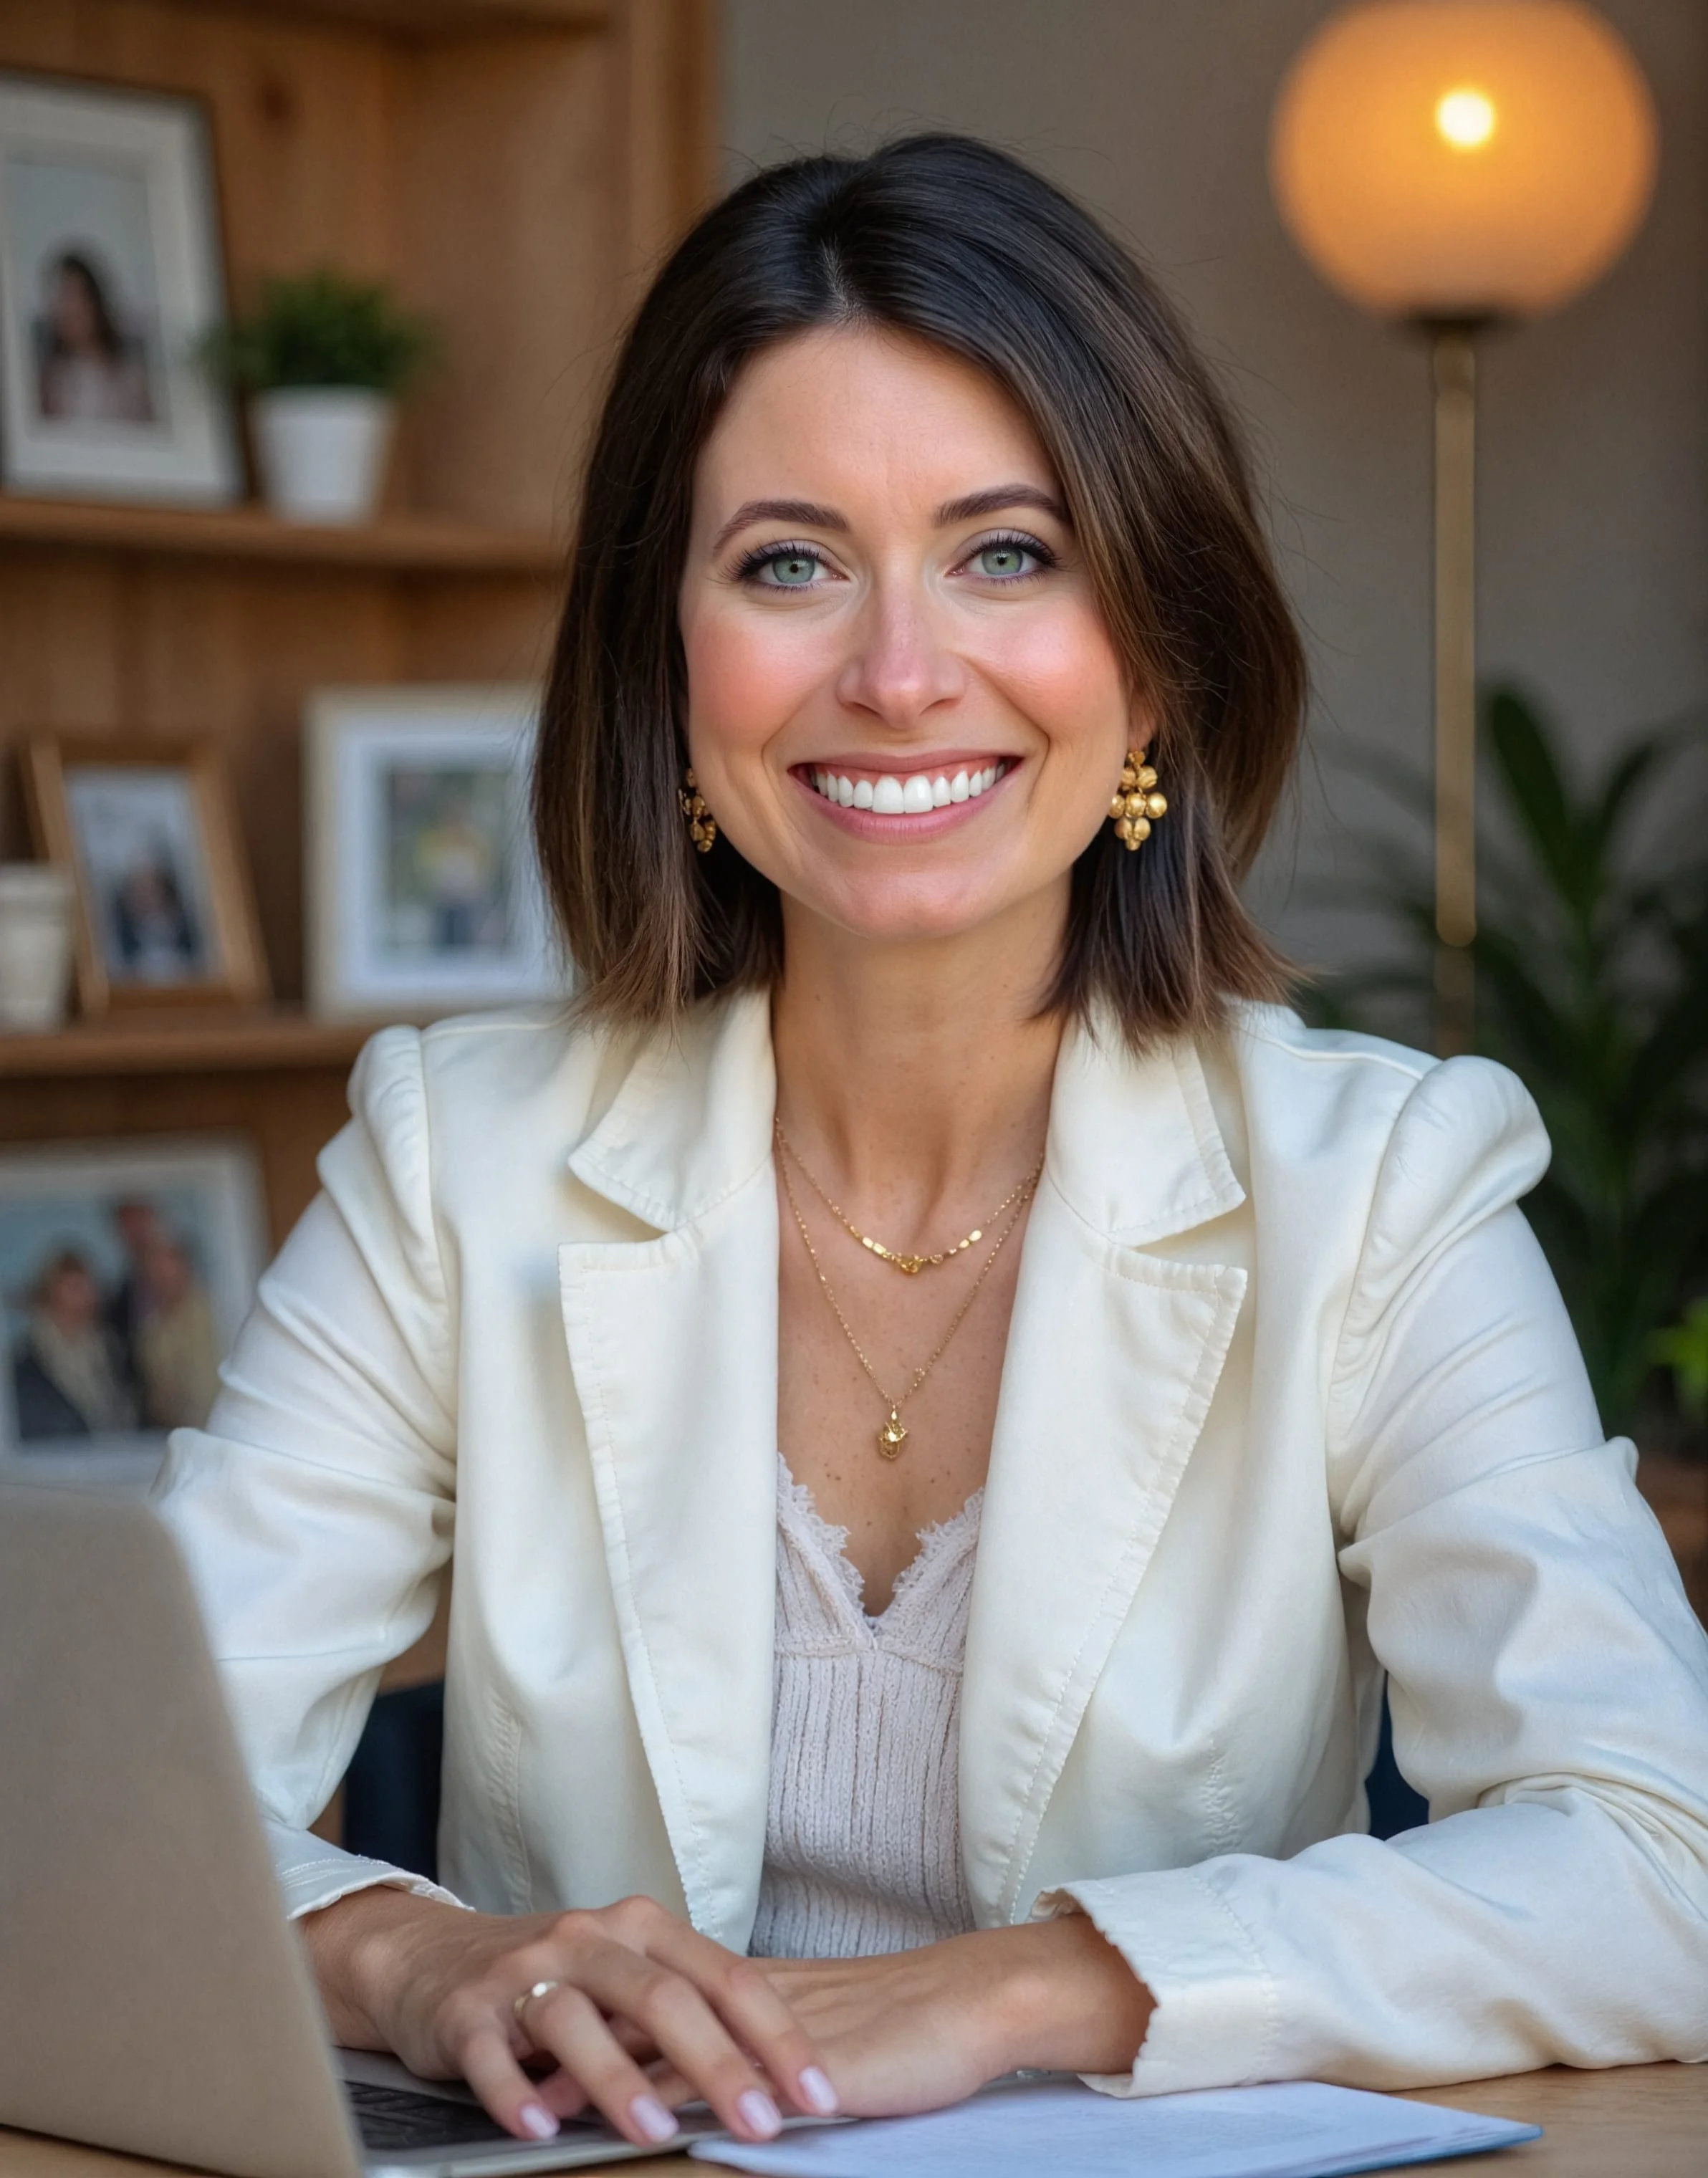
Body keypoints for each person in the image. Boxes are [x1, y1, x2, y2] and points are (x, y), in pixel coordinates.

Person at [155, 135, 1708, 2156]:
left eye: (1009, 552)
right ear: (670, 662)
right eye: (788, 563)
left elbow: (1666, 1859)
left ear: (1152, 654)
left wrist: (1013, 1989)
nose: (899, 675)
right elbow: (94, 1807)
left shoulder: (1384, 1187)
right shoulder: (458, 1158)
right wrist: (413, 1958)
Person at [13, 1247, 135, 1441]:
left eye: (87, 1287)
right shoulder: (28, 1360)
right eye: (73, 1288)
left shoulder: (112, 1348)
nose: (83, 1298)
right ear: (51, 1294)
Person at [34, 250, 155, 426]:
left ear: (95, 302)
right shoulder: (49, 383)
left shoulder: (131, 378)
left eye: (75, 296)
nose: (69, 310)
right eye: (61, 298)